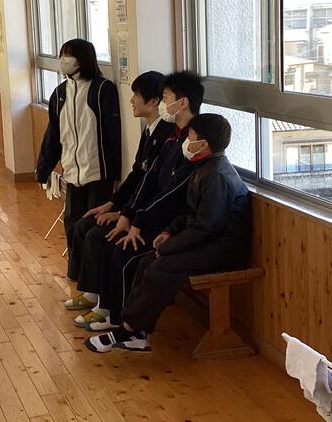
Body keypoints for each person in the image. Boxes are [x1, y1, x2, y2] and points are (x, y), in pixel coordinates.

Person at [85, 113, 252, 353]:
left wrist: (168, 247)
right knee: (146, 262)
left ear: (203, 144)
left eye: (190, 137)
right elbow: (189, 213)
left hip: (222, 248)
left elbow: (206, 228)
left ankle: (128, 329)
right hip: (207, 241)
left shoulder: (218, 176)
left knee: (160, 267)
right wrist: (168, 231)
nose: (186, 142)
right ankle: (137, 333)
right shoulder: (204, 168)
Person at [77, 71, 204, 331]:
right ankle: (107, 308)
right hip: (152, 217)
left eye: (166, 97)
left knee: (120, 249)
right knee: (106, 237)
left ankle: (121, 321)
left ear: (183, 103)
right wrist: (127, 213)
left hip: (172, 225)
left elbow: (173, 194)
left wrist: (138, 221)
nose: (162, 103)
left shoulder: (193, 142)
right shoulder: (173, 137)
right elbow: (148, 178)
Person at [66, 71, 174, 315]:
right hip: (132, 209)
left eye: (136, 95)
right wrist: (111, 204)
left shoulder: (166, 135)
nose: (131, 100)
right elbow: (136, 175)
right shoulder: (149, 131)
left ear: (154, 101)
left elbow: (152, 187)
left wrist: (126, 215)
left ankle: (106, 306)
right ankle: (92, 293)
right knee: (84, 225)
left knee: (98, 235)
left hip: (147, 217)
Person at [35, 39, 121, 305]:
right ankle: (78, 279)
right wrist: (43, 168)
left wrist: (116, 175)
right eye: (62, 55)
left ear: (83, 59)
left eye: (68, 55)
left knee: (93, 229)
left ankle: (94, 288)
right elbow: (53, 134)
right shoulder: (59, 93)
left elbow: (114, 134)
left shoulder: (102, 89)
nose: (64, 60)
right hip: (72, 174)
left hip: (99, 174)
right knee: (73, 227)